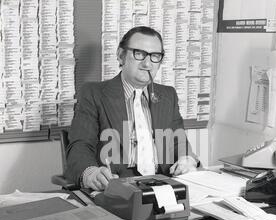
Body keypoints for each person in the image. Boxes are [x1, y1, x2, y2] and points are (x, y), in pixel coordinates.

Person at [65, 26, 199, 191]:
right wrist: (91, 173)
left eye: (155, 56)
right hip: (117, 188)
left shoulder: (167, 95)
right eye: (139, 54)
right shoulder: (94, 94)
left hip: (163, 185)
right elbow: (80, 146)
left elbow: (179, 140)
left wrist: (186, 158)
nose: (147, 63)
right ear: (121, 56)